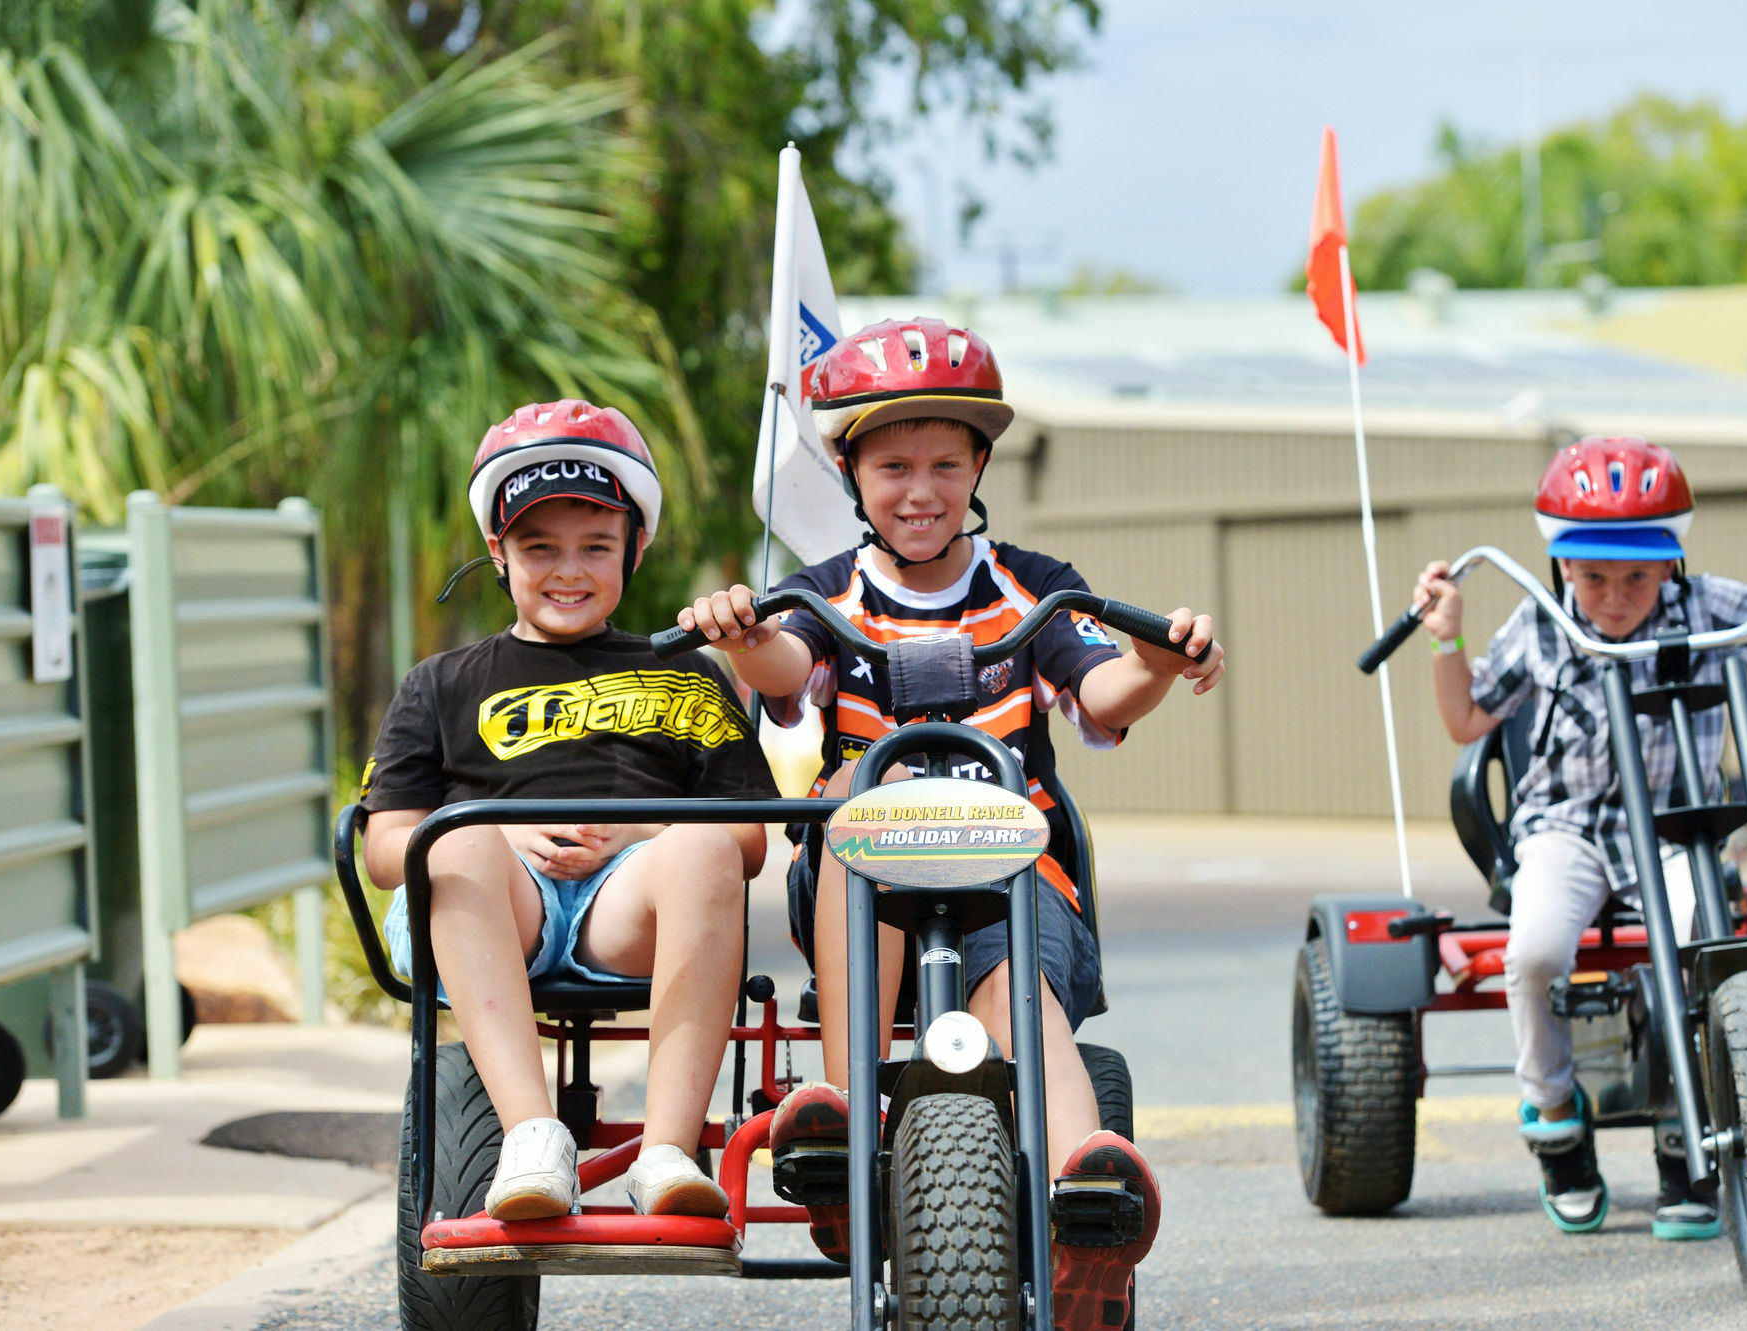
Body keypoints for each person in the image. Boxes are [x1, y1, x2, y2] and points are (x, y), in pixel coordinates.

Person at [676, 318, 1224, 1331]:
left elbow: (1102, 688)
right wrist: (744, 636)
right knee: (850, 820)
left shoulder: (1034, 587)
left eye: (941, 462)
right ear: (849, 472)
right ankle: (848, 1113)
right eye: (891, 466)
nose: (918, 489)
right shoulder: (822, 592)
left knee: (1019, 994)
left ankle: (1082, 1192)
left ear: (978, 462)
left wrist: (1158, 660)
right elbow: (788, 672)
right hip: (870, 873)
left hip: (1012, 875)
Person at [1413, 437, 1747, 1240]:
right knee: (1535, 953)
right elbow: (1466, 718)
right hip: (1568, 829)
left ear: (1671, 564)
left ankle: (1681, 1130)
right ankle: (1555, 1112)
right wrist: (1447, 634)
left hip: (1676, 826)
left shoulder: (1709, 609)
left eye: (1636, 576)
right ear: (1559, 565)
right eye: (1593, 576)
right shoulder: (1542, 622)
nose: (1615, 597)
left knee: (1704, 950)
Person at [362, 400, 780, 1221]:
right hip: (492, 900)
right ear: (498, 551)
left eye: (596, 546)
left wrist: (641, 826)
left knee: (703, 850)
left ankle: (665, 1147)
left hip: (626, 904)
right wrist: (494, 825)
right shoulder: (441, 683)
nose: (568, 570)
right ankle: (532, 1137)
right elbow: (385, 847)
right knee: (454, 842)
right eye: (538, 547)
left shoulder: (689, 674)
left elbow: (749, 838)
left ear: (636, 545)